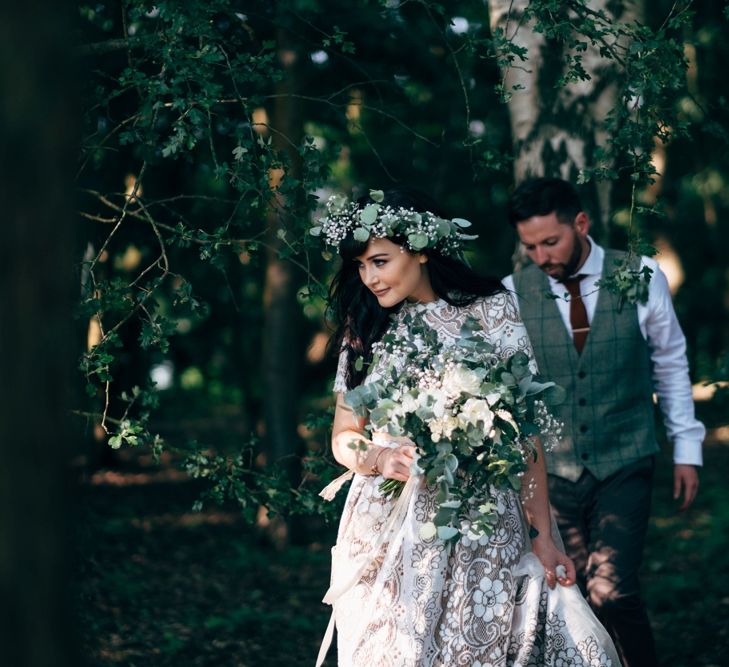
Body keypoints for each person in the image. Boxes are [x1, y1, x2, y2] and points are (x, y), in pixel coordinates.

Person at [314, 186, 621, 667]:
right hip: (390, 528)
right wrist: (379, 457)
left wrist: (542, 534)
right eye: (360, 266)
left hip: (482, 522)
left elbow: (524, 434)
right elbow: (343, 436)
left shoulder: (493, 309)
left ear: (419, 249)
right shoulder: (365, 324)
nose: (368, 277)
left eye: (379, 261)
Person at [502, 177, 705, 667]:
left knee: (612, 591)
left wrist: (687, 450)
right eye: (530, 246)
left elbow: (671, 363)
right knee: (575, 596)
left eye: (551, 241)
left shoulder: (640, 275)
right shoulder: (512, 292)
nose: (541, 256)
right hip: (553, 473)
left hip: (626, 455)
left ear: (581, 223)